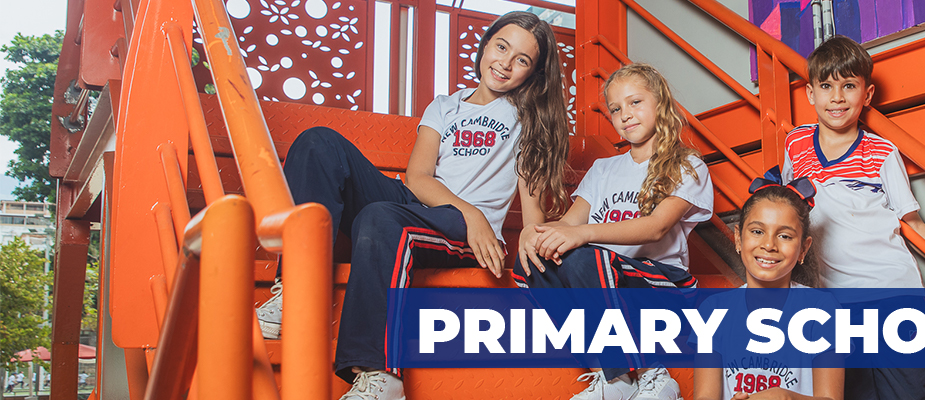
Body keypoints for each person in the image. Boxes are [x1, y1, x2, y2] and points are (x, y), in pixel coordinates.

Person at [254, 11, 570, 400]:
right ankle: (296, 291)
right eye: (501, 46)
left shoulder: (529, 117)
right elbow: (418, 177)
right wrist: (466, 209)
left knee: (379, 217)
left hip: (469, 232)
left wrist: (521, 239)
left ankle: (381, 375)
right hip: (423, 204)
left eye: (522, 60)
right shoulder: (444, 106)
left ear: (533, 73)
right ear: (486, 44)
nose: (505, 63)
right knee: (318, 142)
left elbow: (532, 207)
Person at [780, 35, 925, 400]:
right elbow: (787, 214)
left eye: (849, 86)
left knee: (909, 394)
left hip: (895, 296)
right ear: (811, 94)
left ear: (868, 94)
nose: (838, 97)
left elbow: (912, 224)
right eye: (826, 86)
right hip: (836, 306)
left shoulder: (882, 151)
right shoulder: (795, 145)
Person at [512, 63, 714, 400]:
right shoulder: (603, 168)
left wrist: (585, 234)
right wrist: (530, 234)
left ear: (660, 103)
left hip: (663, 287)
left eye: (635, 103)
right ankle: (612, 378)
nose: (625, 115)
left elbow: (655, 227)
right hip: (603, 278)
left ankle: (651, 374)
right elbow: (569, 224)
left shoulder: (687, 163)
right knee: (532, 261)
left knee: (585, 258)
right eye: (616, 109)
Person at [693, 172, 843, 400]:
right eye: (757, 231)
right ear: (738, 239)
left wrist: (787, 397)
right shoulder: (712, 310)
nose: (769, 244)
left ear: (803, 248)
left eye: (784, 236)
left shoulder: (823, 309)